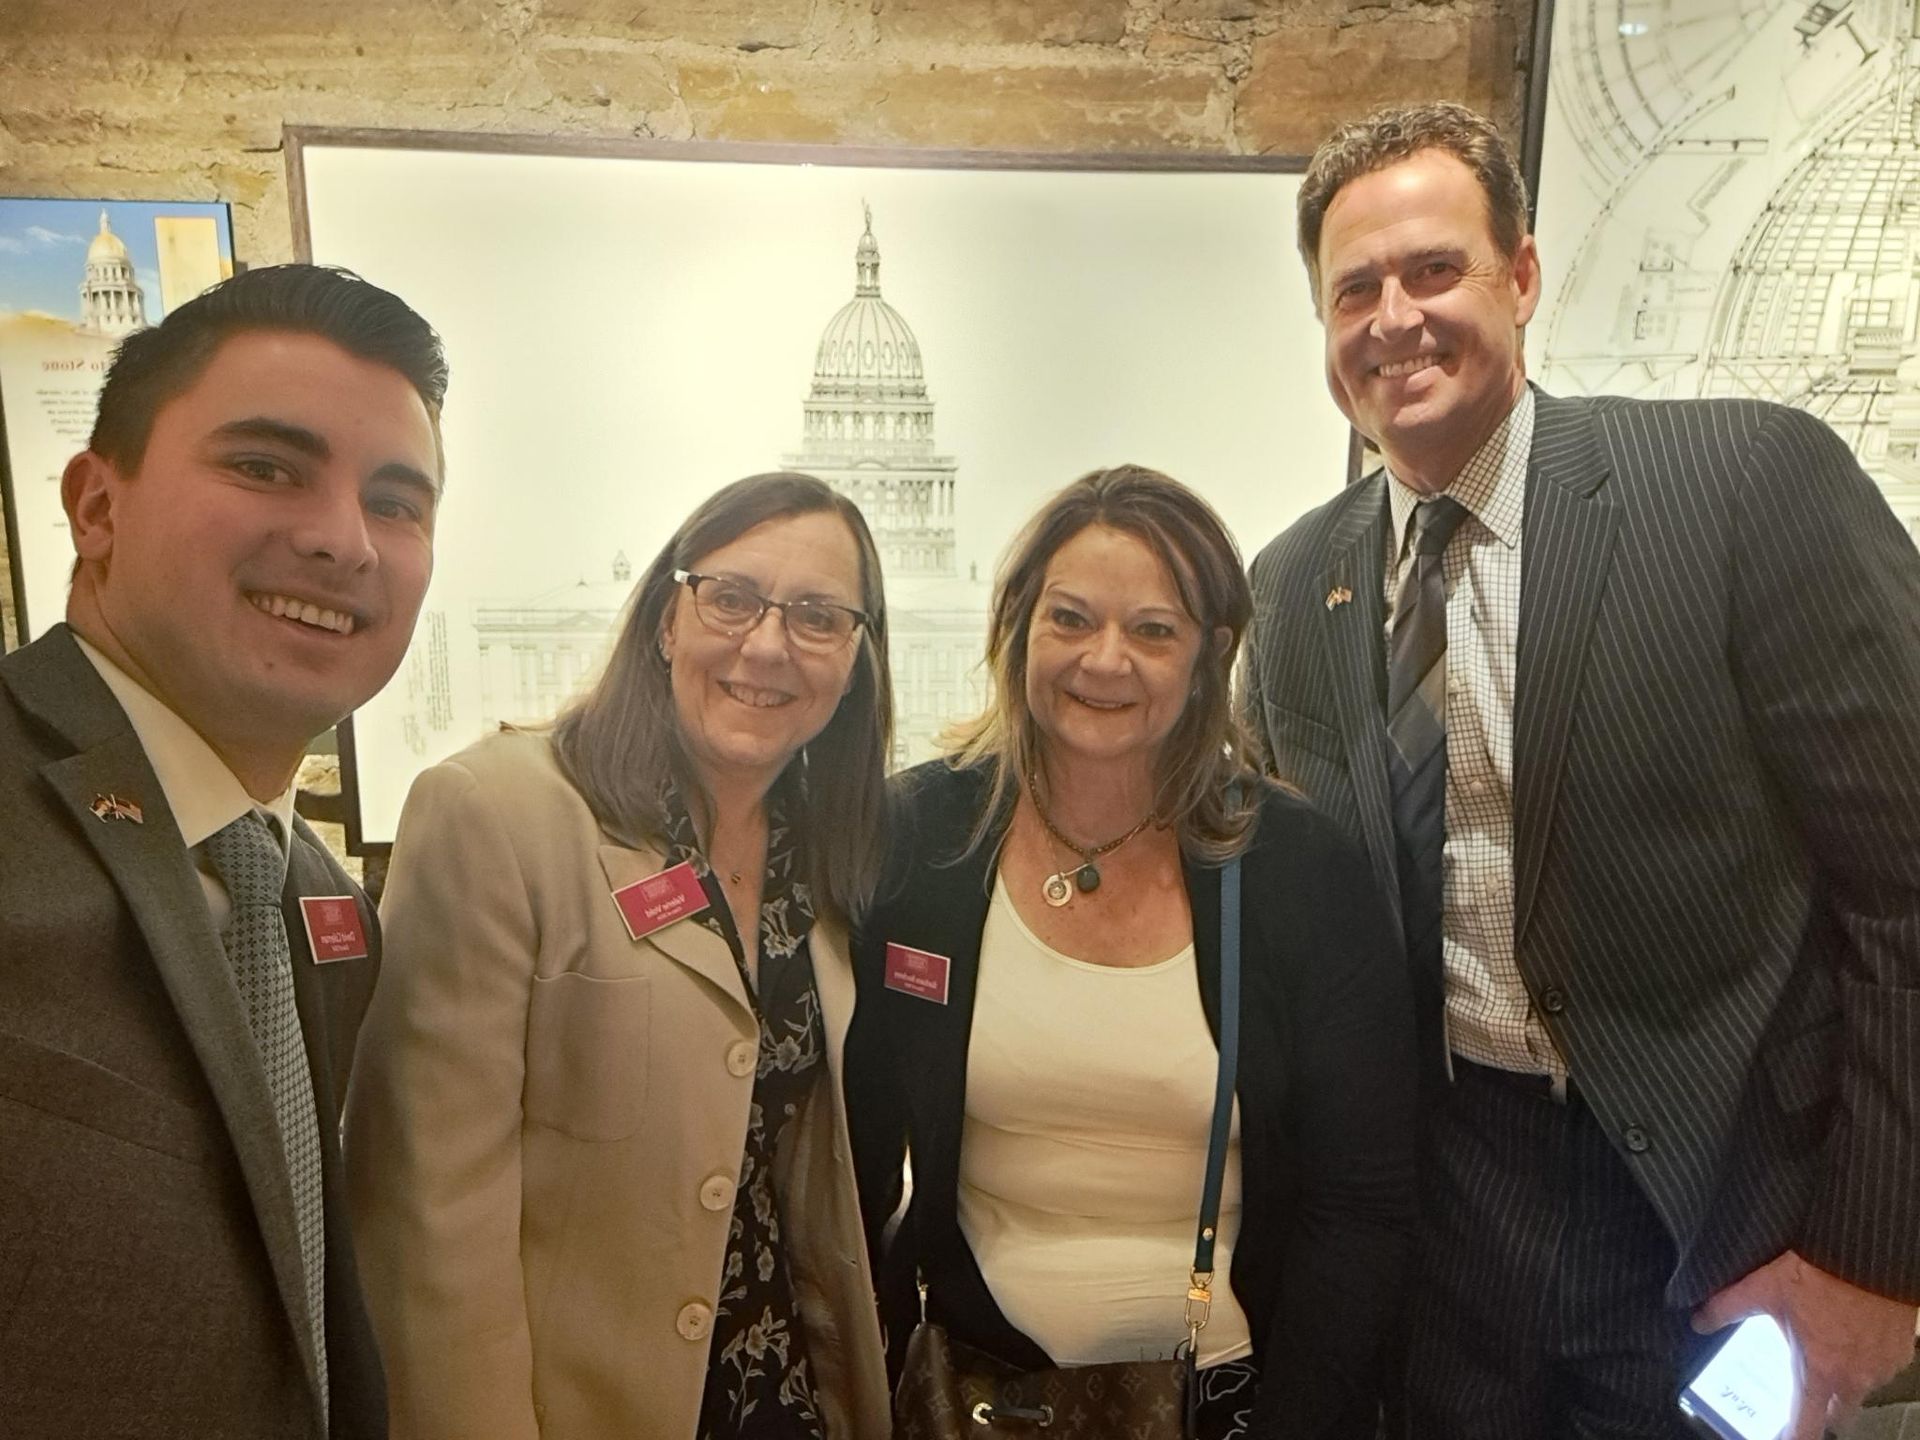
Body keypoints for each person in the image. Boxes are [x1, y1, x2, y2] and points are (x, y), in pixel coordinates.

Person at [1243, 100, 1920, 1439]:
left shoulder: (1740, 486)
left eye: (1435, 270)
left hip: (1720, 1224)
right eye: (1355, 290)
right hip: (1443, 1231)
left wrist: (1874, 1256)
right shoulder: (1291, 584)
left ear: (1523, 276)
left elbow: (1907, 894)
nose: (1395, 319)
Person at [846, 464, 1420, 1438]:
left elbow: (1360, 1206)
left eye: (1153, 631)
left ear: (1211, 654)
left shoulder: (1298, 869)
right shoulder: (918, 840)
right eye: (1070, 619)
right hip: (971, 1393)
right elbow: (853, 1161)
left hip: (1222, 1401)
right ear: (1017, 624)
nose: (1104, 661)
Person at [346, 471, 894, 1439]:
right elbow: (428, 1220)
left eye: (818, 617)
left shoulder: (829, 855)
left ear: (855, 661)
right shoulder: (498, 814)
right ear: (666, 620)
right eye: (731, 598)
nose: (768, 646)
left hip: (782, 1390)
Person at [0, 263, 448, 1438]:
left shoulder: (321, 902)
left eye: (396, 502)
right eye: (265, 468)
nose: (345, 541)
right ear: (97, 507)